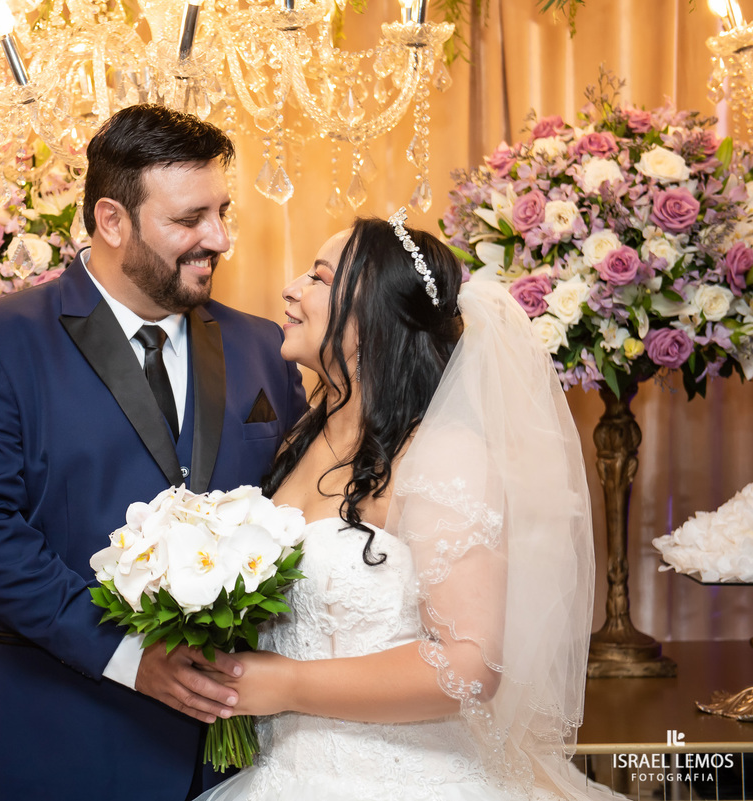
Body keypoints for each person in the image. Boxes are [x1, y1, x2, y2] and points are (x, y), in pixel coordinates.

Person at [0, 104, 307, 801]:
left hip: (245, 762)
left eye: (223, 212)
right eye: (190, 219)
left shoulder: (264, 345)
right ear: (111, 219)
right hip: (63, 749)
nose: (217, 237)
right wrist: (129, 655)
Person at [194, 211, 610, 801]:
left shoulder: (443, 457)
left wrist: (288, 685)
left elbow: (471, 666)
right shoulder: (300, 439)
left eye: (317, 276)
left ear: (373, 316)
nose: (290, 288)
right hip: (279, 772)